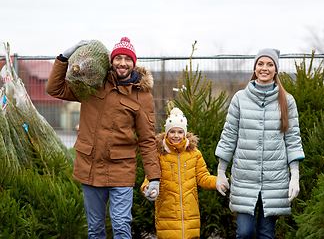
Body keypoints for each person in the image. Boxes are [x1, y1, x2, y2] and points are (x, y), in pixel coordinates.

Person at [46, 37, 161, 239]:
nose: (122, 63)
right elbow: (54, 89)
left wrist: (154, 178)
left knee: (121, 226)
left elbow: (147, 139)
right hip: (90, 168)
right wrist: (64, 57)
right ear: (111, 61)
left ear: (134, 63)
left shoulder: (142, 96)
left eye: (127, 59)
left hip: (121, 169)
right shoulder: (93, 84)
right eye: (118, 58)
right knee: (95, 229)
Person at [215, 48, 305, 239]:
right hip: (244, 177)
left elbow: (293, 138)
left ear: (276, 69)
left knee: (266, 234)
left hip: (274, 178)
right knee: (244, 232)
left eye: (270, 64)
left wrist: (294, 175)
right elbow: (229, 134)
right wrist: (221, 172)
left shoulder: (287, 101)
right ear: (255, 68)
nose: (265, 68)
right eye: (260, 64)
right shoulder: (239, 98)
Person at [141, 107, 227, 239]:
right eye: (172, 131)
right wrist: (147, 187)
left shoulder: (194, 154)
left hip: (190, 217)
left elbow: (203, 177)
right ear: (166, 133)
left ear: (185, 133)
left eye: (180, 132)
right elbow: (151, 177)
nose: (176, 135)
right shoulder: (159, 155)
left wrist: (217, 182)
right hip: (167, 216)